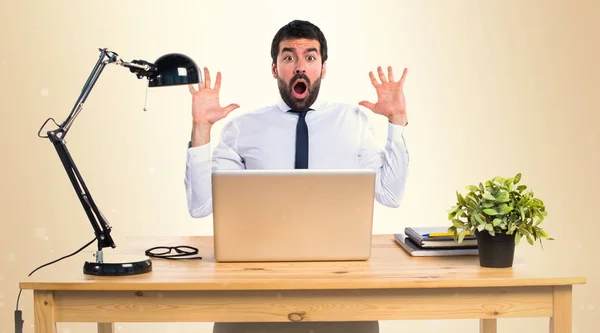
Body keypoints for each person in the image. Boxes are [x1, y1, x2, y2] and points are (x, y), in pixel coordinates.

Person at [184, 19, 409, 333]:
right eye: (289, 57)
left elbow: (390, 194)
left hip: (341, 286)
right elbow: (200, 205)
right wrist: (201, 131)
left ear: (323, 68)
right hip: (255, 287)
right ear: (275, 68)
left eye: (310, 57)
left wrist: (396, 123)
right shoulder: (242, 128)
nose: (300, 67)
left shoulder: (353, 121)